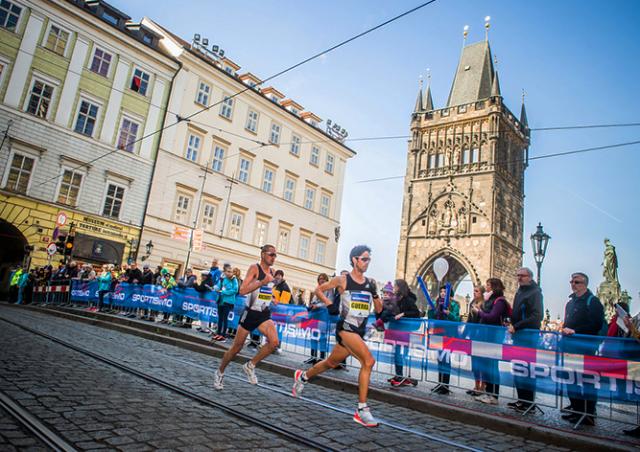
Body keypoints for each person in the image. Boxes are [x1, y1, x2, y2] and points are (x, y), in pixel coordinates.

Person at [292, 245, 382, 427]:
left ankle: (302, 377)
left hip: (359, 331)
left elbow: (379, 310)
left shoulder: (370, 282)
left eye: (369, 259)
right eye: (364, 259)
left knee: (330, 363)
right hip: (346, 329)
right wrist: (328, 302)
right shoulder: (342, 280)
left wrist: (374, 293)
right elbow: (318, 290)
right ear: (355, 260)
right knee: (369, 361)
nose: (367, 263)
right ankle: (362, 410)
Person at [213, 245, 280, 389]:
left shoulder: (273, 272)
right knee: (236, 349)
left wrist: (272, 297)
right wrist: (261, 281)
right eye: (271, 254)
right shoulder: (254, 268)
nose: (274, 257)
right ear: (263, 255)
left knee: (274, 342)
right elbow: (242, 290)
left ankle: (250, 365)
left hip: (264, 313)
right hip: (250, 313)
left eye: (275, 255)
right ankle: (220, 372)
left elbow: (266, 290)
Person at [561, 272, 604, 426]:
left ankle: (588, 414)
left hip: (585, 348)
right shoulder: (570, 302)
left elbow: (596, 324)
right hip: (570, 347)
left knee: (586, 381)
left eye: (577, 282)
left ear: (585, 284)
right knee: (571, 380)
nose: (573, 284)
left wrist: (576, 331)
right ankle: (577, 411)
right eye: (571, 281)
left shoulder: (593, 301)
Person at [507, 268, 543, 412]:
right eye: (518, 276)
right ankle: (521, 400)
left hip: (528, 337)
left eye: (522, 276)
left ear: (530, 277)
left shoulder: (535, 293)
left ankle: (528, 403)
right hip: (519, 336)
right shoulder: (520, 291)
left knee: (527, 370)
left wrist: (517, 326)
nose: (519, 278)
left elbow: (536, 316)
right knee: (518, 369)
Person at [472, 278, 511, 405]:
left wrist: (480, 312)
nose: (486, 287)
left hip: (493, 337)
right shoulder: (490, 300)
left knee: (492, 366)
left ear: (494, 287)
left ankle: (494, 395)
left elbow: (492, 317)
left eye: (488, 285)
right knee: (487, 366)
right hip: (486, 337)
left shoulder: (499, 301)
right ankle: (488, 393)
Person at [428, 285, 460, 395]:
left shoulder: (455, 304)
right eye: (441, 291)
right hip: (438, 333)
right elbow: (431, 318)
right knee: (439, 358)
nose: (442, 293)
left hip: (449, 334)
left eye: (445, 291)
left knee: (446, 359)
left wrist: (448, 313)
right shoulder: (436, 302)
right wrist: (430, 311)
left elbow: (456, 319)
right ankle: (440, 382)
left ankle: (445, 385)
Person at [389, 279, 421, 387]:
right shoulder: (396, 298)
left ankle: (403, 376)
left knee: (402, 354)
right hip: (397, 329)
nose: (394, 287)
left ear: (400, 287)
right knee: (396, 353)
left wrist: (403, 314)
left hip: (405, 331)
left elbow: (416, 313)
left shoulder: (408, 299)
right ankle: (398, 374)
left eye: (395, 286)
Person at [306, 273, 332, 364]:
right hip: (314, 315)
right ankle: (313, 356)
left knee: (322, 337)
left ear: (326, 280)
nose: (321, 280)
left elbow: (328, 302)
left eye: (323, 279)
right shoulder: (317, 289)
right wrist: (312, 305)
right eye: (320, 279)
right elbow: (314, 300)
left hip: (323, 315)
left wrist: (317, 306)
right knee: (313, 336)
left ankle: (321, 358)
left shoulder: (329, 289)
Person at [465, 285, 486, 396]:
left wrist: (478, 311)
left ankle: (482, 386)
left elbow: (484, 318)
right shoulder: (472, 302)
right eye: (473, 291)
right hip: (473, 335)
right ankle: (476, 385)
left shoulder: (484, 304)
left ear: (482, 293)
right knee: (475, 363)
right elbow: (469, 318)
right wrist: (465, 332)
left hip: (481, 336)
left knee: (481, 362)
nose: (474, 293)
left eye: (477, 291)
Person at [212, 265, 238, 341]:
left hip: (228, 302)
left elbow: (235, 290)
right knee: (220, 318)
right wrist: (215, 288)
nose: (229, 273)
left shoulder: (234, 280)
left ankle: (223, 335)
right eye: (228, 271)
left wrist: (223, 292)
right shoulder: (223, 279)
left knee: (225, 318)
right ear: (225, 272)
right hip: (220, 300)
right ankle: (218, 333)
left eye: (231, 272)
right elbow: (218, 286)